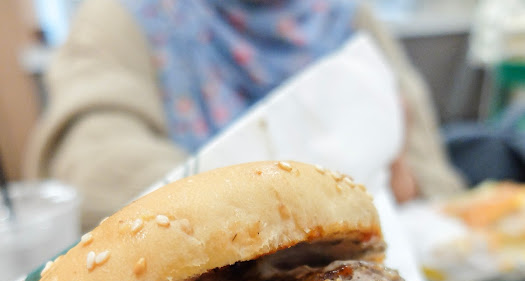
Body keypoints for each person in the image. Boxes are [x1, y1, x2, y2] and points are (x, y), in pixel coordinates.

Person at [25, 0, 465, 231]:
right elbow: (93, 167)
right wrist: (285, 215)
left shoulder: (350, 19)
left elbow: (434, 182)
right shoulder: (123, 17)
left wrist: (407, 182)